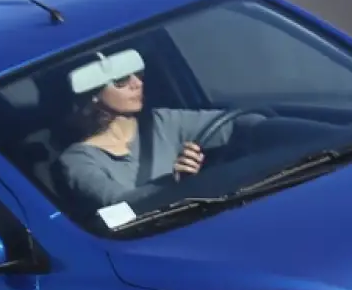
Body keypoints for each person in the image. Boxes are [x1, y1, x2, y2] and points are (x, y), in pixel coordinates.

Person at [54, 51, 239, 211]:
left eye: (138, 74)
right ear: (94, 93)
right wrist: (173, 184)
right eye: (121, 80)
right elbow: (118, 204)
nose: (137, 83)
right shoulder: (78, 160)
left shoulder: (162, 122)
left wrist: (265, 125)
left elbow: (233, 124)